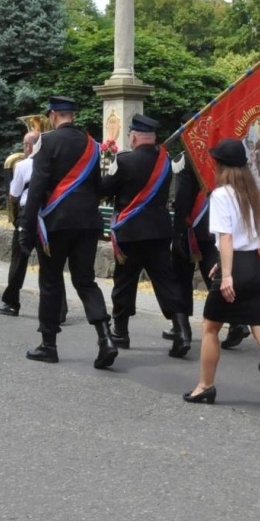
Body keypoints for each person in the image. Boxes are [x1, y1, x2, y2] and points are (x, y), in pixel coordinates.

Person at [184, 139, 260, 415]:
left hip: (235, 268)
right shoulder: (254, 193)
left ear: (221, 166)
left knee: (210, 328)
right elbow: (249, 235)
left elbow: (227, 237)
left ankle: (205, 386)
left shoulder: (221, 195)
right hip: (255, 266)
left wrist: (227, 274)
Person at [19, 96, 118, 367]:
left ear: (52, 116)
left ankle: (48, 345)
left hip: (55, 224)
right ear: (72, 115)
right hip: (88, 222)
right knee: (85, 281)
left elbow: (37, 188)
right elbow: (99, 187)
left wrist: (26, 229)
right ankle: (105, 337)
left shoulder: (46, 142)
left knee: (51, 282)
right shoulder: (92, 144)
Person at [104, 113, 192, 356]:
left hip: (130, 233)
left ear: (133, 137)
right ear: (153, 138)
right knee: (167, 282)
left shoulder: (123, 161)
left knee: (124, 283)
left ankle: (120, 333)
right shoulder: (167, 162)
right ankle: (182, 331)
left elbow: (104, 189)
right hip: (159, 230)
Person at [172, 158, 250, 350]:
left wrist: (179, 231)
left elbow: (182, 197)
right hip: (214, 224)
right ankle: (237, 321)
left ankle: (182, 331)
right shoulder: (221, 156)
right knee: (214, 276)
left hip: (192, 226)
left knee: (181, 279)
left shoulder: (187, 154)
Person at [0, 128, 41, 317]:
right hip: (47, 216)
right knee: (50, 265)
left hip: (27, 216)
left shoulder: (23, 165)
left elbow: (13, 196)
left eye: (25, 144)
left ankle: (11, 303)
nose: (24, 148)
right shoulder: (52, 164)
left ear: (29, 146)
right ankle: (59, 311)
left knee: (19, 261)